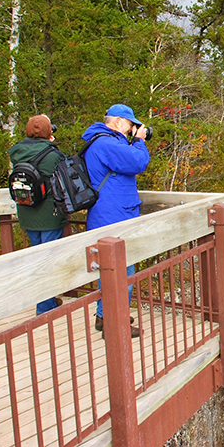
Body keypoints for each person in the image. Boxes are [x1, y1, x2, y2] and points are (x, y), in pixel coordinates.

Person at [82, 104, 150, 337]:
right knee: (121, 271)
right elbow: (138, 163)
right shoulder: (106, 143)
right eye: (131, 124)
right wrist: (139, 141)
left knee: (112, 270)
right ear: (119, 121)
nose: (133, 129)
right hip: (114, 215)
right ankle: (115, 323)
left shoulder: (103, 141)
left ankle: (105, 315)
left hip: (110, 212)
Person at [7, 114, 67, 314]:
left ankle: (45, 301)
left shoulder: (17, 152)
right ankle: (44, 307)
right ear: (49, 132)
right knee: (48, 262)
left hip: (27, 213)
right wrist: (52, 145)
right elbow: (63, 178)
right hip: (49, 215)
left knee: (36, 258)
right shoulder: (52, 154)